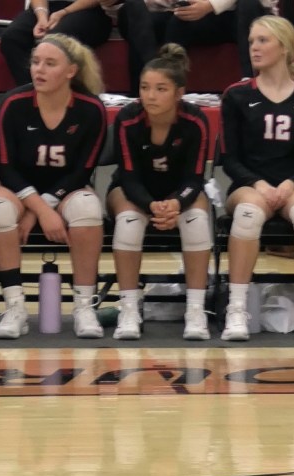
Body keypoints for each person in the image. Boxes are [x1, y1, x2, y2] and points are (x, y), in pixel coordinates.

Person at [0, 34, 107, 340]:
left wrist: (41, 209)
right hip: (14, 186)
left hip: (66, 187)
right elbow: (4, 167)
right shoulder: (13, 103)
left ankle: (84, 307)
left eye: (50, 63)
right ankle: (14, 307)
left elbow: (83, 171)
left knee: (88, 208)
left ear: (71, 71)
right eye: (36, 62)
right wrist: (38, 209)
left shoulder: (91, 109)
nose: (39, 69)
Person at [220, 16, 294, 342]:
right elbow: (229, 160)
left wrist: (291, 184)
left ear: (284, 47)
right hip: (250, 185)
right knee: (248, 214)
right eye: (252, 41)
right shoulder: (237, 95)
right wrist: (259, 184)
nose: (254, 47)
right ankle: (236, 310)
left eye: (263, 40)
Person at [108, 44, 213, 341]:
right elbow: (128, 177)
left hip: (180, 192)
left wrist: (176, 203)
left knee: (196, 219)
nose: (150, 96)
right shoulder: (128, 119)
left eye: (160, 89)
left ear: (179, 93)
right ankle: (129, 308)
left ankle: (195, 310)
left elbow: (195, 178)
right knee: (129, 221)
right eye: (145, 88)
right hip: (133, 191)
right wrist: (152, 205)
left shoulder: (195, 121)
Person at [106, 0, 269, 93]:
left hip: (226, 15)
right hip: (173, 13)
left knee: (249, 3)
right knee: (135, 9)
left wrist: (210, 5)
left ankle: (251, 83)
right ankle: (151, 84)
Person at [0, 0, 112, 88]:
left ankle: (62, 93)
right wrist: (42, 17)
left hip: (88, 10)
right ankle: (32, 91)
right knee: (12, 37)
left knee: (55, 40)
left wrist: (64, 12)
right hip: (47, 7)